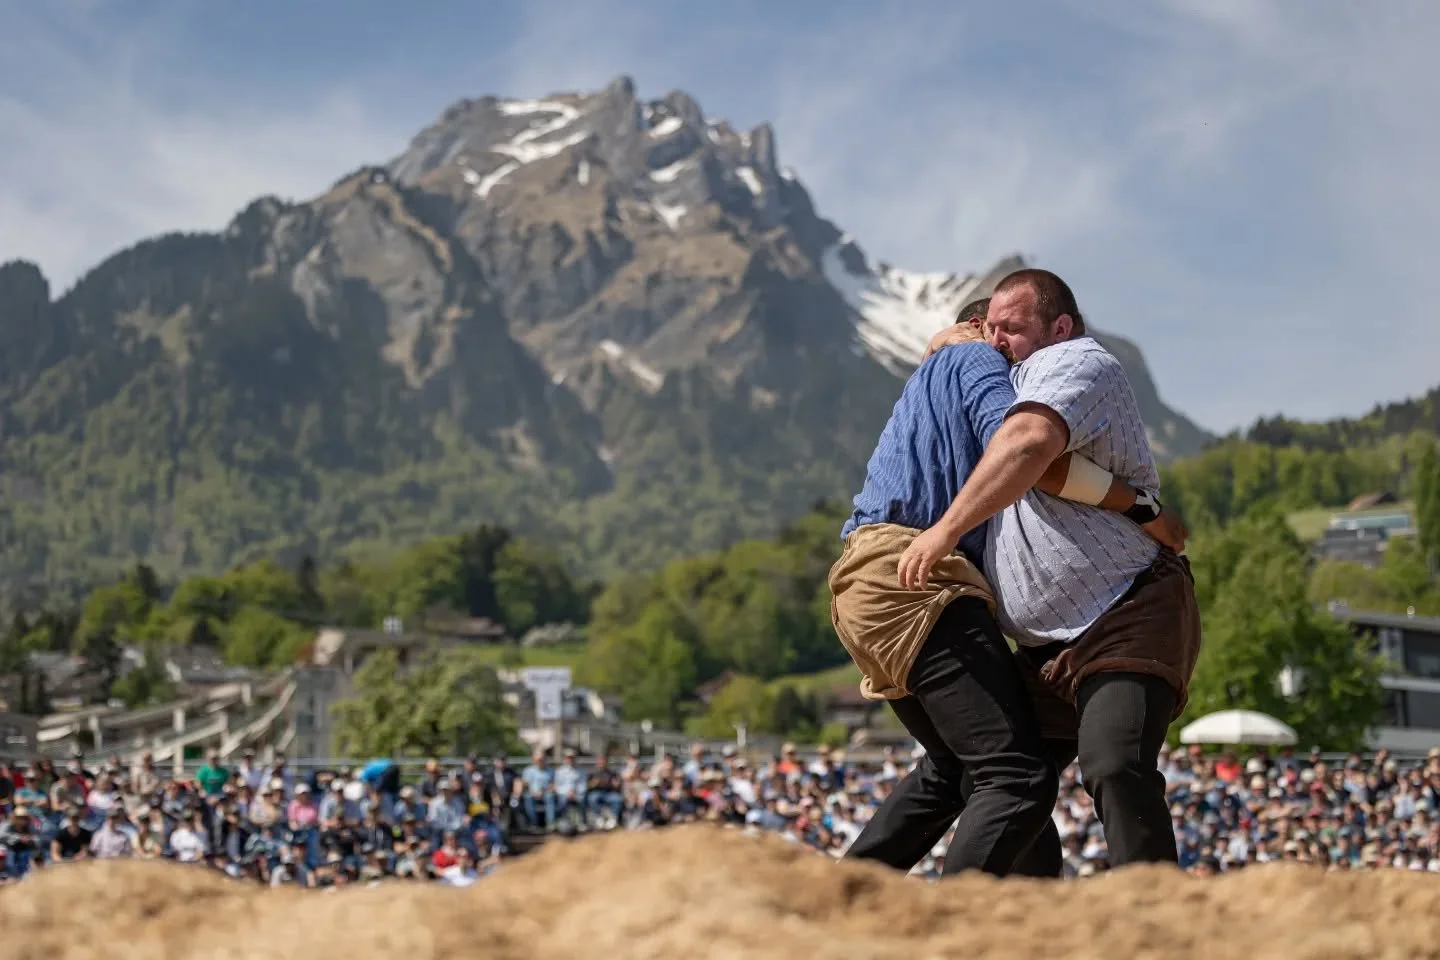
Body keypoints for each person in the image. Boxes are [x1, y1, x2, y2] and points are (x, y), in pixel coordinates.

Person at [831, 298, 1186, 878]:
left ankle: (840, 895)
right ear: (976, 328)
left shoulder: (939, 371)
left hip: (865, 585)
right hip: (916, 574)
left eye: (1011, 333)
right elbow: (1028, 451)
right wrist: (1144, 507)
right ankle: (964, 928)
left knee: (955, 771)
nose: (1004, 346)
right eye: (996, 331)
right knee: (1015, 774)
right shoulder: (978, 362)